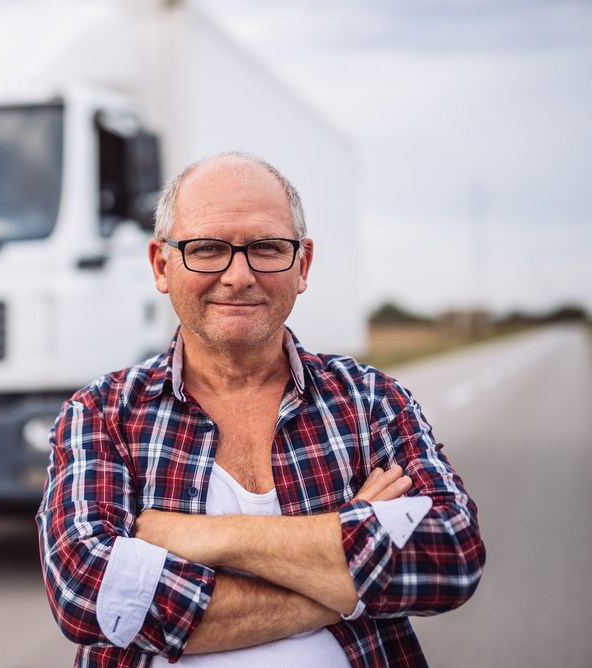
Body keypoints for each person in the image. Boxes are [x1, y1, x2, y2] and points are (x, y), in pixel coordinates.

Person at [36, 151, 485, 667]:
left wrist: (201, 535)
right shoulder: (102, 413)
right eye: (207, 249)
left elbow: (451, 553)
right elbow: (91, 596)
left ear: (302, 265)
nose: (238, 275)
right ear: (162, 265)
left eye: (267, 248)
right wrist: (345, 552)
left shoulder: (371, 401)